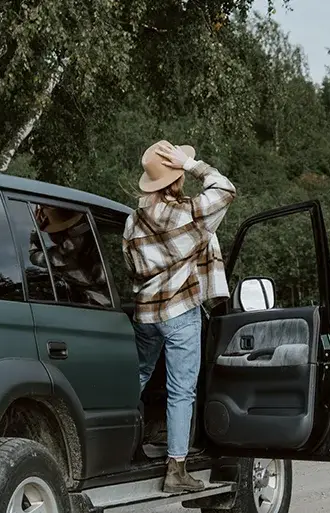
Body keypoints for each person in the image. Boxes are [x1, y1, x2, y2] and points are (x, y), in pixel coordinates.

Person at [122, 140, 236, 493]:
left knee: (137, 378)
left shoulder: (132, 221)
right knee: (180, 391)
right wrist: (192, 163)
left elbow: (130, 268)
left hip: (145, 313)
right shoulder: (191, 212)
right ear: (176, 179)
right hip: (181, 311)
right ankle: (176, 470)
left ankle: (113, 448)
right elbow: (225, 188)